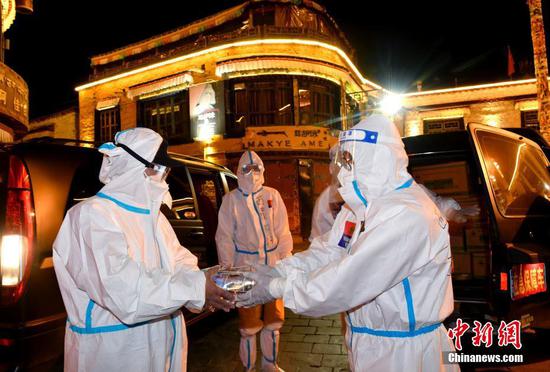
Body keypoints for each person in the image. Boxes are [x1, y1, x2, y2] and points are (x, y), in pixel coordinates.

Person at [237, 115, 459, 372]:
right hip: (369, 344)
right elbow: (330, 251)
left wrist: (276, 286)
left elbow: (349, 279)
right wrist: (279, 269)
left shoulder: (408, 215)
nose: (342, 169)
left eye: (349, 160)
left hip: (405, 355)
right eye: (342, 160)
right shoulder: (362, 209)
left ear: (377, 159)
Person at [53, 128, 235, 372]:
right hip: (115, 355)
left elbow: (180, 261)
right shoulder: (90, 217)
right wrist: (196, 287)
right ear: (134, 168)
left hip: (161, 348)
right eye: (159, 168)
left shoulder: (155, 218)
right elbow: (125, 293)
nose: (164, 176)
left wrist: (207, 283)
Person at [216, 150, 293, 372]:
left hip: (272, 267)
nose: (251, 173)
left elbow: (283, 231)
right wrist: (227, 270)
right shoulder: (231, 200)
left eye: (255, 168)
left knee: (274, 320)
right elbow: (224, 238)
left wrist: (285, 260)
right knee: (248, 325)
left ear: (262, 170)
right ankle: (248, 368)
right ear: (239, 172)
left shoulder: (272, 195)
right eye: (246, 169)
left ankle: (270, 364)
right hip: (244, 269)